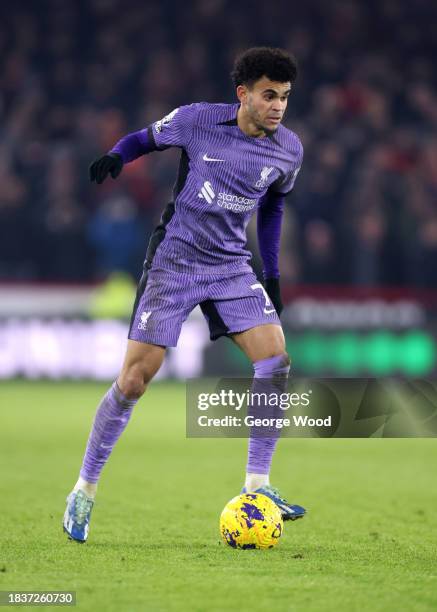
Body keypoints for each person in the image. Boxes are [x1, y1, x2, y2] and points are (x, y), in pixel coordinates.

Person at [63, 47, 306, 542]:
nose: (278, 106)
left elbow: (274, 208)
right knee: (133, 382)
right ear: (243, 94)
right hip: (175, 261)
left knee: (275, 359)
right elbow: (144, 138)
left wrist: (273, 273)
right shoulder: (198, 121)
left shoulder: (289, 149)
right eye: (268, 95)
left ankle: (258, 486)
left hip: (230, 266)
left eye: (284, 97)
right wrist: (116, 156)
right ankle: (83, 491)